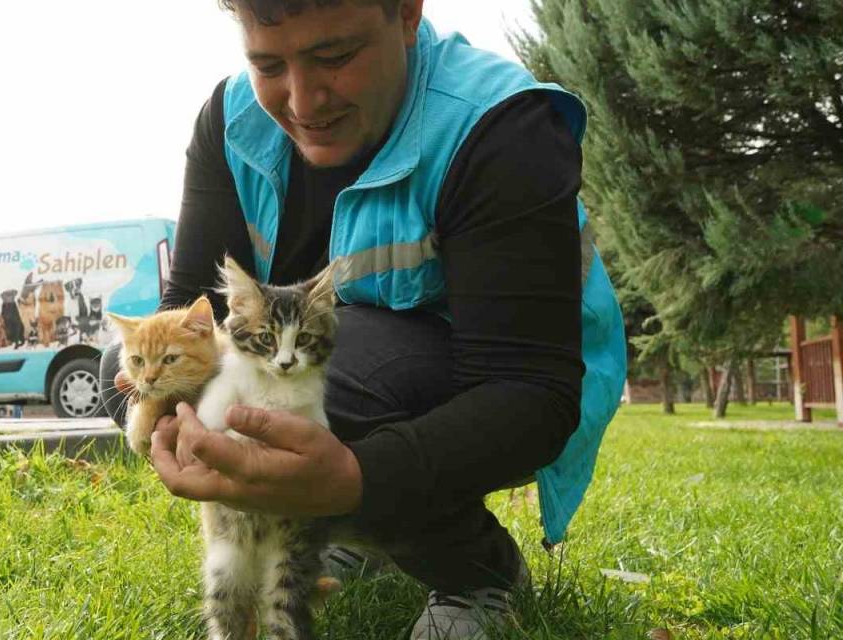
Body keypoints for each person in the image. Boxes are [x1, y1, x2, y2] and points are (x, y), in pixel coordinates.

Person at [97, 0, 627, 637]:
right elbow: (185, 309)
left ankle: (473, 571)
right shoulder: (230, 118)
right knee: (136, 372)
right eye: (268, 64)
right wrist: (164, 421)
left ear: (405, 13)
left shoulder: (500, 125)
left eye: (334, 56)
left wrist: (355, 479)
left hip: (506, 382)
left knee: (313, 394)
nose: (302, 100)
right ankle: (353, 528)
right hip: (338, 355)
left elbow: (530, 391)